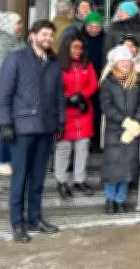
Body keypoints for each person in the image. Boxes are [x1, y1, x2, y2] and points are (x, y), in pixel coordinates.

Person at [0, 19, 64, 243]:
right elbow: (4, 95)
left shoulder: (53, 62)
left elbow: (59, 95)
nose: (48, 38)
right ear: (32, 36)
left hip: (46, 128)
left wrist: (61, 121)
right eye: (44, 34)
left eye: (50, 35)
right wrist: (5, 124)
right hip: (22, 128)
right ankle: (18, 223)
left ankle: (35, 218)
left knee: (38, 178)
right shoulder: (15, 59)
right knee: (20, 178)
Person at [99, 45, 140, 214]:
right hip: (114, 129)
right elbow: (106, 106)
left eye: (128, 61)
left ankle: (120, 199)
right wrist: (124, 121)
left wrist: (136, 121)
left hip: (133, 129)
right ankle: (110, 199)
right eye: (122, 62)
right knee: (113, 166)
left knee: (128, 166)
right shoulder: (108, 81)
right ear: (116, 63)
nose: (126, 64)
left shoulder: (139, 80)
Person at [55, 34, 98, 200]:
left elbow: (94, 84)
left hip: (84, 111)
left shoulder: (87, 64)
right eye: (75, 47)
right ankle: (61, 181)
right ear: (67, 48)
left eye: (81, 48)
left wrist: (81, 96)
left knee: (83, 148)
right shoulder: (57, 66)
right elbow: (54, 87)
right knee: (64, 149)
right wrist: (68, 98)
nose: (79, 51)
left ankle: (79, 180)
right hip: (65, 113)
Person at [0, 10, 27, 176]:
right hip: (6, 93)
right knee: (6, 127)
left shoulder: (18, 41)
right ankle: (3, 160)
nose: (21, 26)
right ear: (8, 25)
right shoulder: (1, 43)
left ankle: (14, 159)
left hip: (20, 93)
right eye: (18, 23)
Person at [81, 12, 106, 151]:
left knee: (98, 108)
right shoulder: (80, 38)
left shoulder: (105, 39)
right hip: (83, 77)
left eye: (97, 27)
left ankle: (96, 138)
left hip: (100, 77)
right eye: (90, 26)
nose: (93, 29)